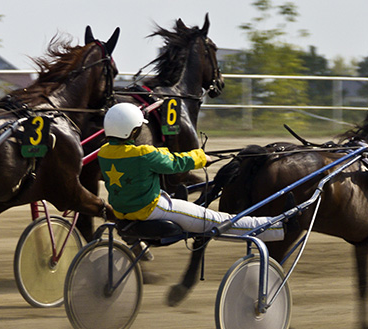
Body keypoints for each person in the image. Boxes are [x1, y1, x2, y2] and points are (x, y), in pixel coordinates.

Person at [98, 103, 290, 241]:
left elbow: (155, 158)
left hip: (123, 212)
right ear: (133, 132)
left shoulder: (104, 153)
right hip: (153, 210)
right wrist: (201, 157)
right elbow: (175, 163)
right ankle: (276, 226)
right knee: (217, 219)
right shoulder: (144, 154)